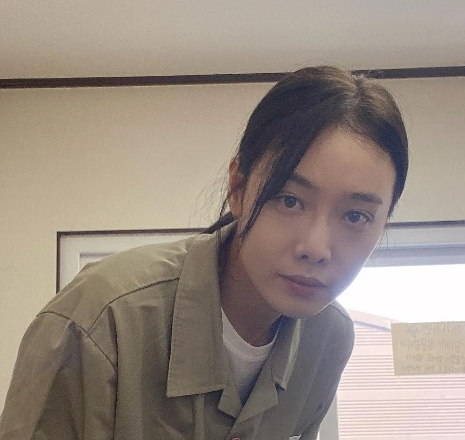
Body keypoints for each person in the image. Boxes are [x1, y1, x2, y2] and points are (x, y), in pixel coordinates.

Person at [0, 65, 408, 440]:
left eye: (355, 216)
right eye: (289, 200)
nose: (316, 249)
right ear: (238, 188)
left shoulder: (328, 340)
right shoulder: (102, 319)